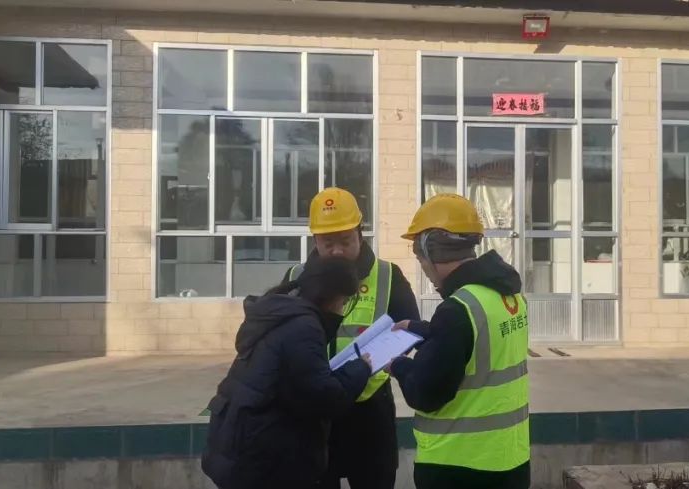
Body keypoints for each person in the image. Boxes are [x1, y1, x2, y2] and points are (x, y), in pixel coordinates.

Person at [388, 194, 531, 489]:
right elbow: (478, 344)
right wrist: (423, 330)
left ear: (431, 251)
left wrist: (398, 365)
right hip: (510, 460)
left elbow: (425, 394)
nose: (423, 269)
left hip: (459, 466)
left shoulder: (456, 310)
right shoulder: (509, 296)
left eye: (420, 258)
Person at [282, 187, 419, 489]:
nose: (337, 251)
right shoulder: (296, 278)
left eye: (345, 241)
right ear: (315, 240)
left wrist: (391, 357)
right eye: (327, 243)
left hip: (369, 410)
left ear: (360, 233)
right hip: (315, 414)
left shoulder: (388, 276)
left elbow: (411, 328)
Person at [201, 256, 374, 489]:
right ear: (331, 297)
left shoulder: (282, 314)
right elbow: (324, 397)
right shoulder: (303, 327)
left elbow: (299, 382)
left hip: (242, 446)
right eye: (343, 302)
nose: (342, 309)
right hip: (263, 460)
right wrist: (361, 368)